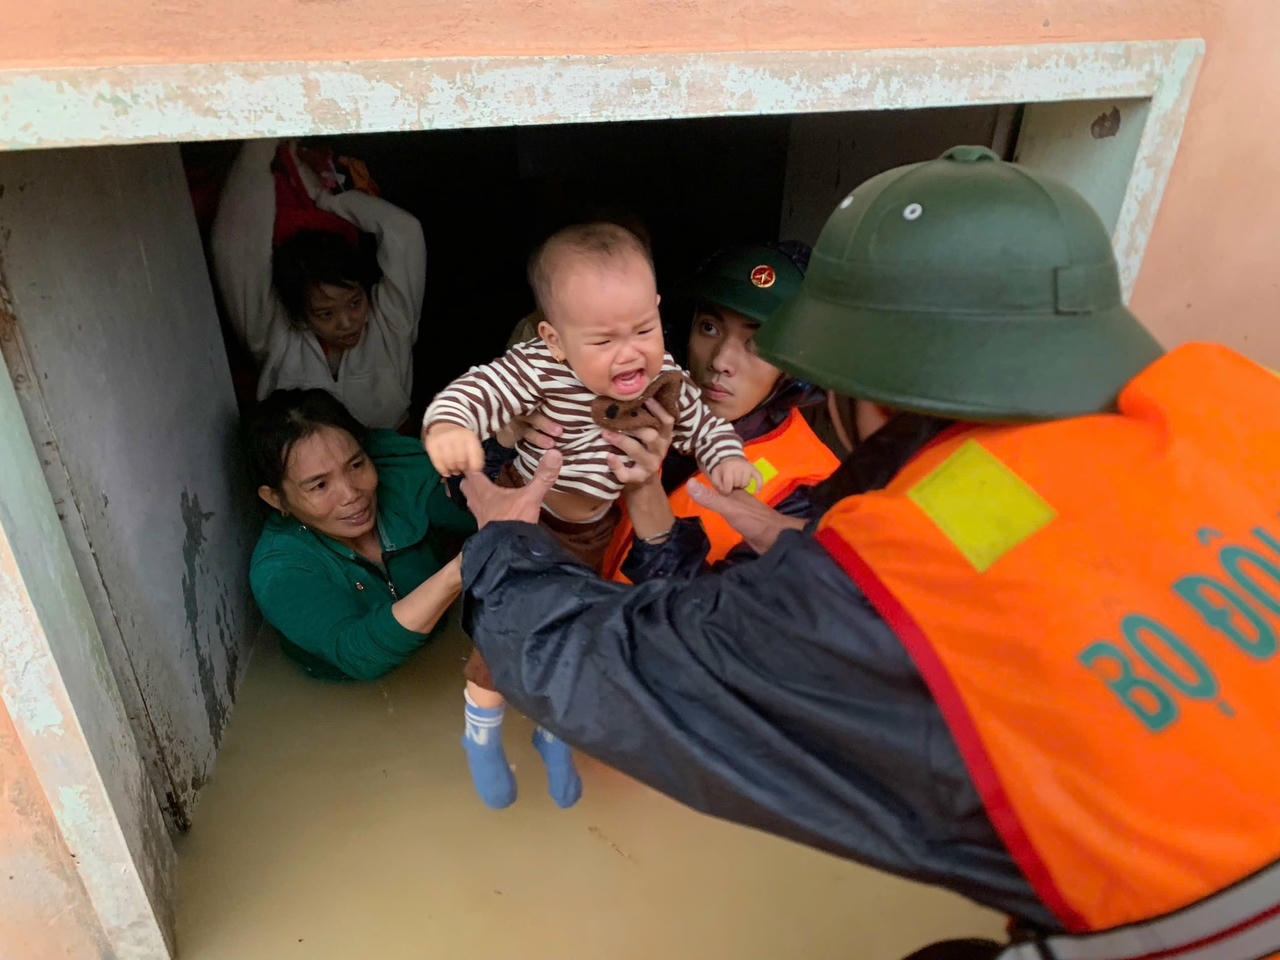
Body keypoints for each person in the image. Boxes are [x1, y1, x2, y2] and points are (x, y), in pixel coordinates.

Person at [455, 146, 1280, 959]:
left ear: (856, 388)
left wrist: (502, 541)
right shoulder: (1229, 401)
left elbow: (603, 669)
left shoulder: (888, 584)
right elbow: (1046, 541)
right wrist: (821, 549)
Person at [422, 222, 755, 810]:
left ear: (657, 312)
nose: (630, 353)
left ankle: (555, 732)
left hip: (595, 531)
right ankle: (482, 732)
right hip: (529, 521)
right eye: (602, 341)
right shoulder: (536, 369)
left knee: (574, 636)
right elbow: (473, 391)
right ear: (553, 339)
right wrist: (449, 427)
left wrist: (724, 453)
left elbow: (702, 422)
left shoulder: (664, 373)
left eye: (643, 329)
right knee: (501, 641)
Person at [597, 243, 842, 580]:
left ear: (792, 368)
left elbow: (710, 624)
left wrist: (643, 493)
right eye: (709, 327)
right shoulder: (637, 409)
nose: (720, 362)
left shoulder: (815, 489)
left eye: (758, 344)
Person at [247, 389, 474, 681]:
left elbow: (475, 510)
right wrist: (458, 571)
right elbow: (358, 654)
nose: (352, 494)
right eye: (319, 486)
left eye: (356, 465)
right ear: (276, 499)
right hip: (352, 699)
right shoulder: (280, 568)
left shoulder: (398, 474)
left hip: (446, 658)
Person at [212, 139, 426, 430]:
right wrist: (261, 144)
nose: (347, 322)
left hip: (393, 466)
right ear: (299, 312)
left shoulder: (391, 325)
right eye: (325, 313)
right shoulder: (274, 337)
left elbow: (405, 232)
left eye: (355, 302)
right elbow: (235, 247)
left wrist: (325, 199)